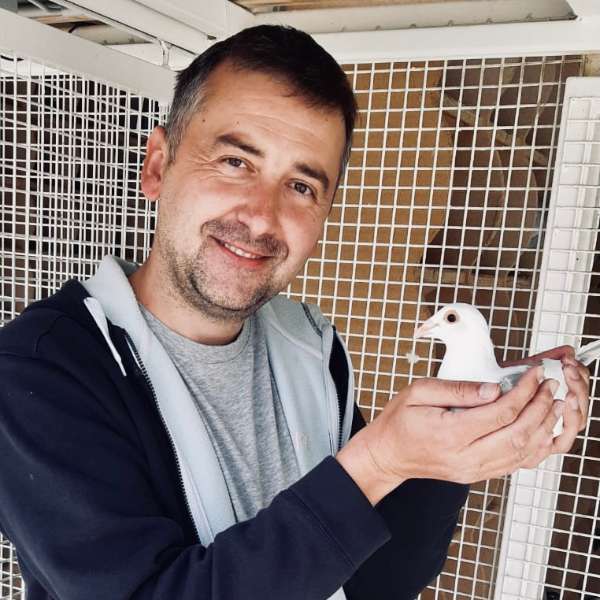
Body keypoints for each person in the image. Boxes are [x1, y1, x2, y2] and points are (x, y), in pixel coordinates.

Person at [0, 25, 590, 600]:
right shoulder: (38, 372)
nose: (261, 216)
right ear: (158, 166)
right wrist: (376, 462)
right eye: (235, 162)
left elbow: (376, 581)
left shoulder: (310, 345)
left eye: (302, 187)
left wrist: (456, 446)